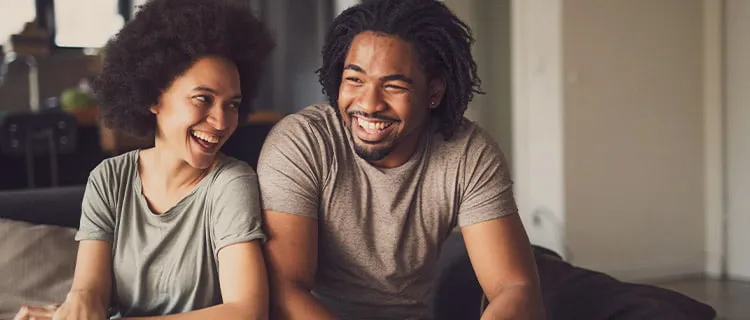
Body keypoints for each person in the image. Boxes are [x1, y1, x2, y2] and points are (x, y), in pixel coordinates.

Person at [257, 0, 545, 319]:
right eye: (354, 80)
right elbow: (285, 287)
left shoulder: (467, 152)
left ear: (433, 92)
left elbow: (514, 287)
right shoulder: (303, 142)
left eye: (393, 86)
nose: (368, 104)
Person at [13, 0, 274, 319]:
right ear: (153, 97)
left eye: (232, 104)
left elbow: (248, 311)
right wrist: (73, 311)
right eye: (203, 99)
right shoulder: (109, 179)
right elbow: (89, 292)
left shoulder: (231, 183)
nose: (221, 122)